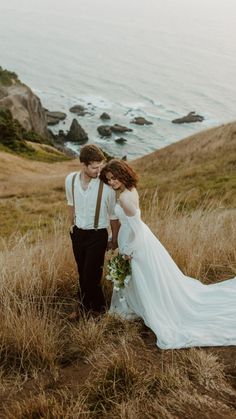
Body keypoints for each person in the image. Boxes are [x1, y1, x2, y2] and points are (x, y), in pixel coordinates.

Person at [100, 159, 236, 349]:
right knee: (142, 278)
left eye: (114, 178)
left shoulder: (123, 198)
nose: (112, 182)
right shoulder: (130, 190)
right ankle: (135, 306)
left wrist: (129, 251)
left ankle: (147, 308)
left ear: (123, 174)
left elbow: (137, 228)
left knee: (141, 277)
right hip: (133, 238)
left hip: (135, 241)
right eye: (109, 180)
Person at [65, 145, 120, 319]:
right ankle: (83, 308)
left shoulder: (107, 187)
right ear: (83, 164)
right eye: (94, 167)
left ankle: (99, 311)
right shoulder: (70, 180)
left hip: (98, 235)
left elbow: (113, 217)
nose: (99, 171)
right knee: (82, 273)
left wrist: (115, 240)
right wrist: (71, 226)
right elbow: (71, 204)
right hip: (78, 234)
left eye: (100, 166)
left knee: (92, 276)